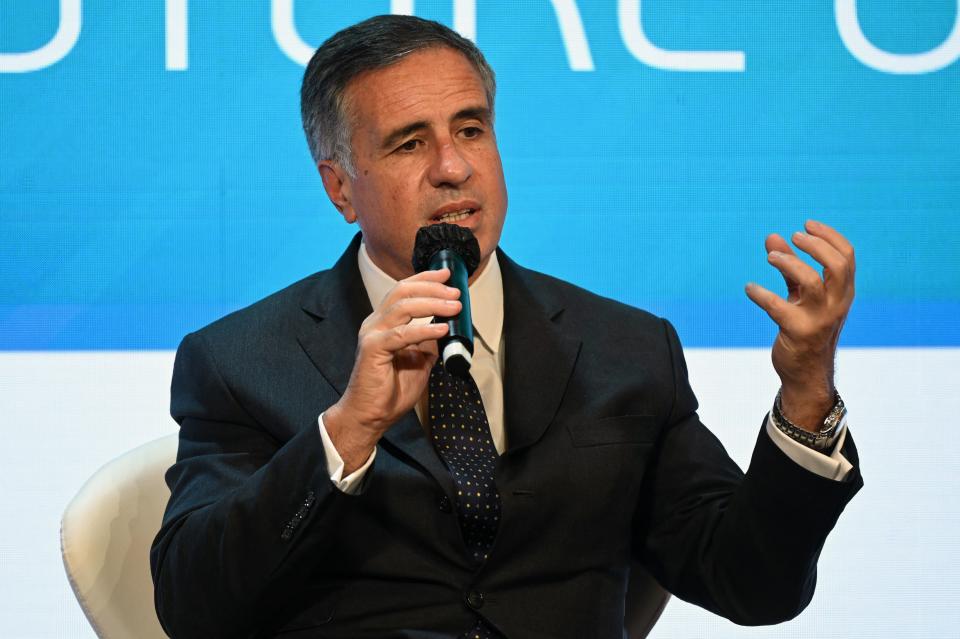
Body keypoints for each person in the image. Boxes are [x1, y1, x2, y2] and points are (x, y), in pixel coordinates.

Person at [150, 14, 862, 639]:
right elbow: (194, 606)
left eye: (470, 129)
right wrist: (346, 431)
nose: (454, 167)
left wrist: (805, 394)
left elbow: (753, 584)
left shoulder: (627, 351)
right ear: (340, 187)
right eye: (408, 144)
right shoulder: (241, 360)